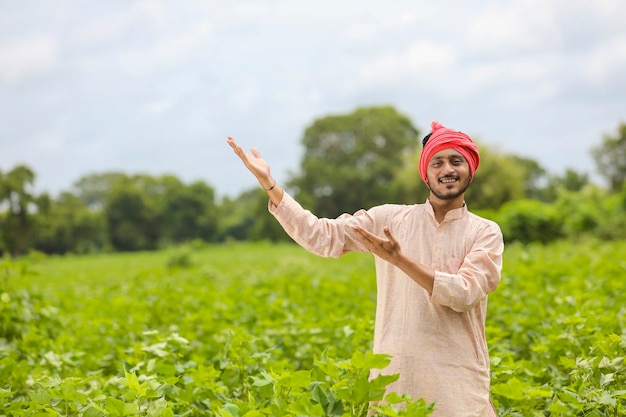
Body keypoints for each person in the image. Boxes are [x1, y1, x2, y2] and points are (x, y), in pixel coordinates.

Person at [226, 121, 503, 416]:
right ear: (426, 173)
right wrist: (271, 186)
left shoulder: (484, 232)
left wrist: (400, 260)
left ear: (470, 169)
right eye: (438, 162)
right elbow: (322, 236)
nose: (447, 169)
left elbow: (463, 293)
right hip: (396, 381)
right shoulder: (390, 219)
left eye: (456, 161)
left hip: (457, 386)